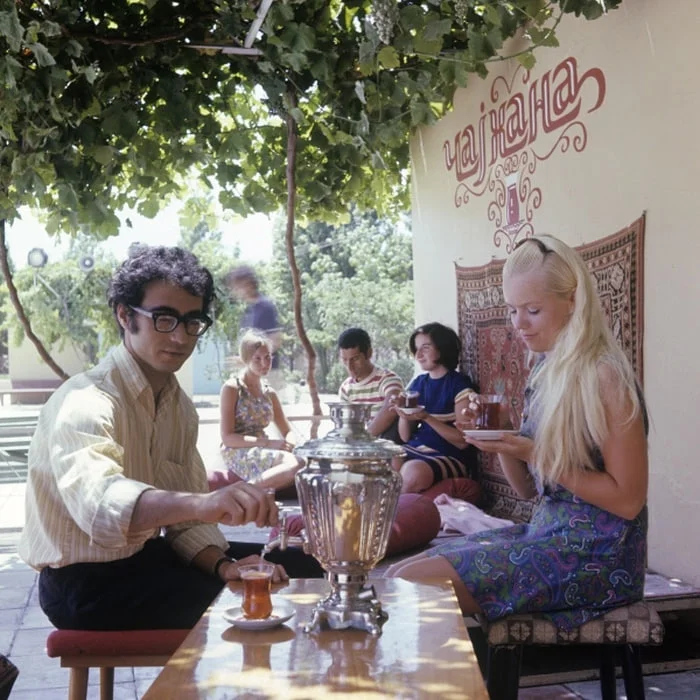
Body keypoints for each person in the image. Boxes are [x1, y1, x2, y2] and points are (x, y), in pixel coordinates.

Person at [18, 246, 321, 632]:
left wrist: (224, 566)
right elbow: (101, 509)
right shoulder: (84, 401)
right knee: (244, 612)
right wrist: (204, 502)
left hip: (149, 559)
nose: (180, 336)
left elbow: (186, 524)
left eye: (192, 321)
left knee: (303, 568)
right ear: (126, 315)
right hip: (84, 584)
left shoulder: (178, 407)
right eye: (164, 319)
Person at [387, 235, 648, 630]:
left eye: (533, 310)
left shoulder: (605, 376)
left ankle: (463, 690)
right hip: (547, 534)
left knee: (413, 584)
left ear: (573, 301)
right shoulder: (547, 371)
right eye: (512, 310)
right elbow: (527, 491)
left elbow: (628, 501)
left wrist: (534, 452)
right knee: (403, 573)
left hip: (599, 556)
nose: (518, 324)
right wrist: (502, 437)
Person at [392, 322, 478, 494]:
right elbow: (405, 435)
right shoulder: (419, 383)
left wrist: (426, 417)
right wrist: (402, 413)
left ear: (442, 348)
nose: (419, 355)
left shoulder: (459, 385)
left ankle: (394, 514)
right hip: (416, 448)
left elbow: (462, 441)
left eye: (425, 348)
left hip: (448, 455)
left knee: (412, 472)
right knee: (383, 461)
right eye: (416, 349)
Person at [220, 330, 303, 492]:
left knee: (305, 465)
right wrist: (268, 443)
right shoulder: (232, 388)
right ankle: (242, 492)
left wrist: (290, 443)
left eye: (268, 358)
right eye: (257, 359)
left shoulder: (269, 392)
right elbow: (228, 438)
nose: (264, 364)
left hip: (264, 450)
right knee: (296, 464)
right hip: (238, 451)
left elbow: (287, 431)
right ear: (246, 359)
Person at [337, 327, 403, 441]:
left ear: (369, 353)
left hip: (384, 448)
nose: (349, 367)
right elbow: (345, 425)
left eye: (355, 359)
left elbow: (391, 411)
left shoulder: (388, 379)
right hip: (357, 448)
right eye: (345, 360)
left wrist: (362, 440)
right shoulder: (346, 388)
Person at [225, 265, 284, 391]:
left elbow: (275, 340)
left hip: (267, 373)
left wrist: (246, 359)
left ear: (247, 283)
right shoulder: (249, 310)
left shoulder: (265, 307)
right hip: (253, 374)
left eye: (237, 285)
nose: (235, 290)